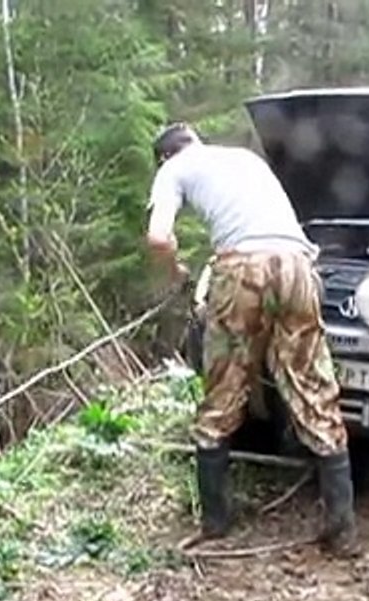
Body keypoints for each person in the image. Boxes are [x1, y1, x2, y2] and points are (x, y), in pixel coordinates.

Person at [144, 122, 357, 556]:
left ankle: (215, 522)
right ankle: (342, 527)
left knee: (223, 388)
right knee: (312, 385)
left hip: (243, 268)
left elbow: (158, 237)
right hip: (297, 266)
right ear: (196, 140)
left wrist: (174, 270)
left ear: (165, 155)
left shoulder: (173, 168)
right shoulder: (244, 159)